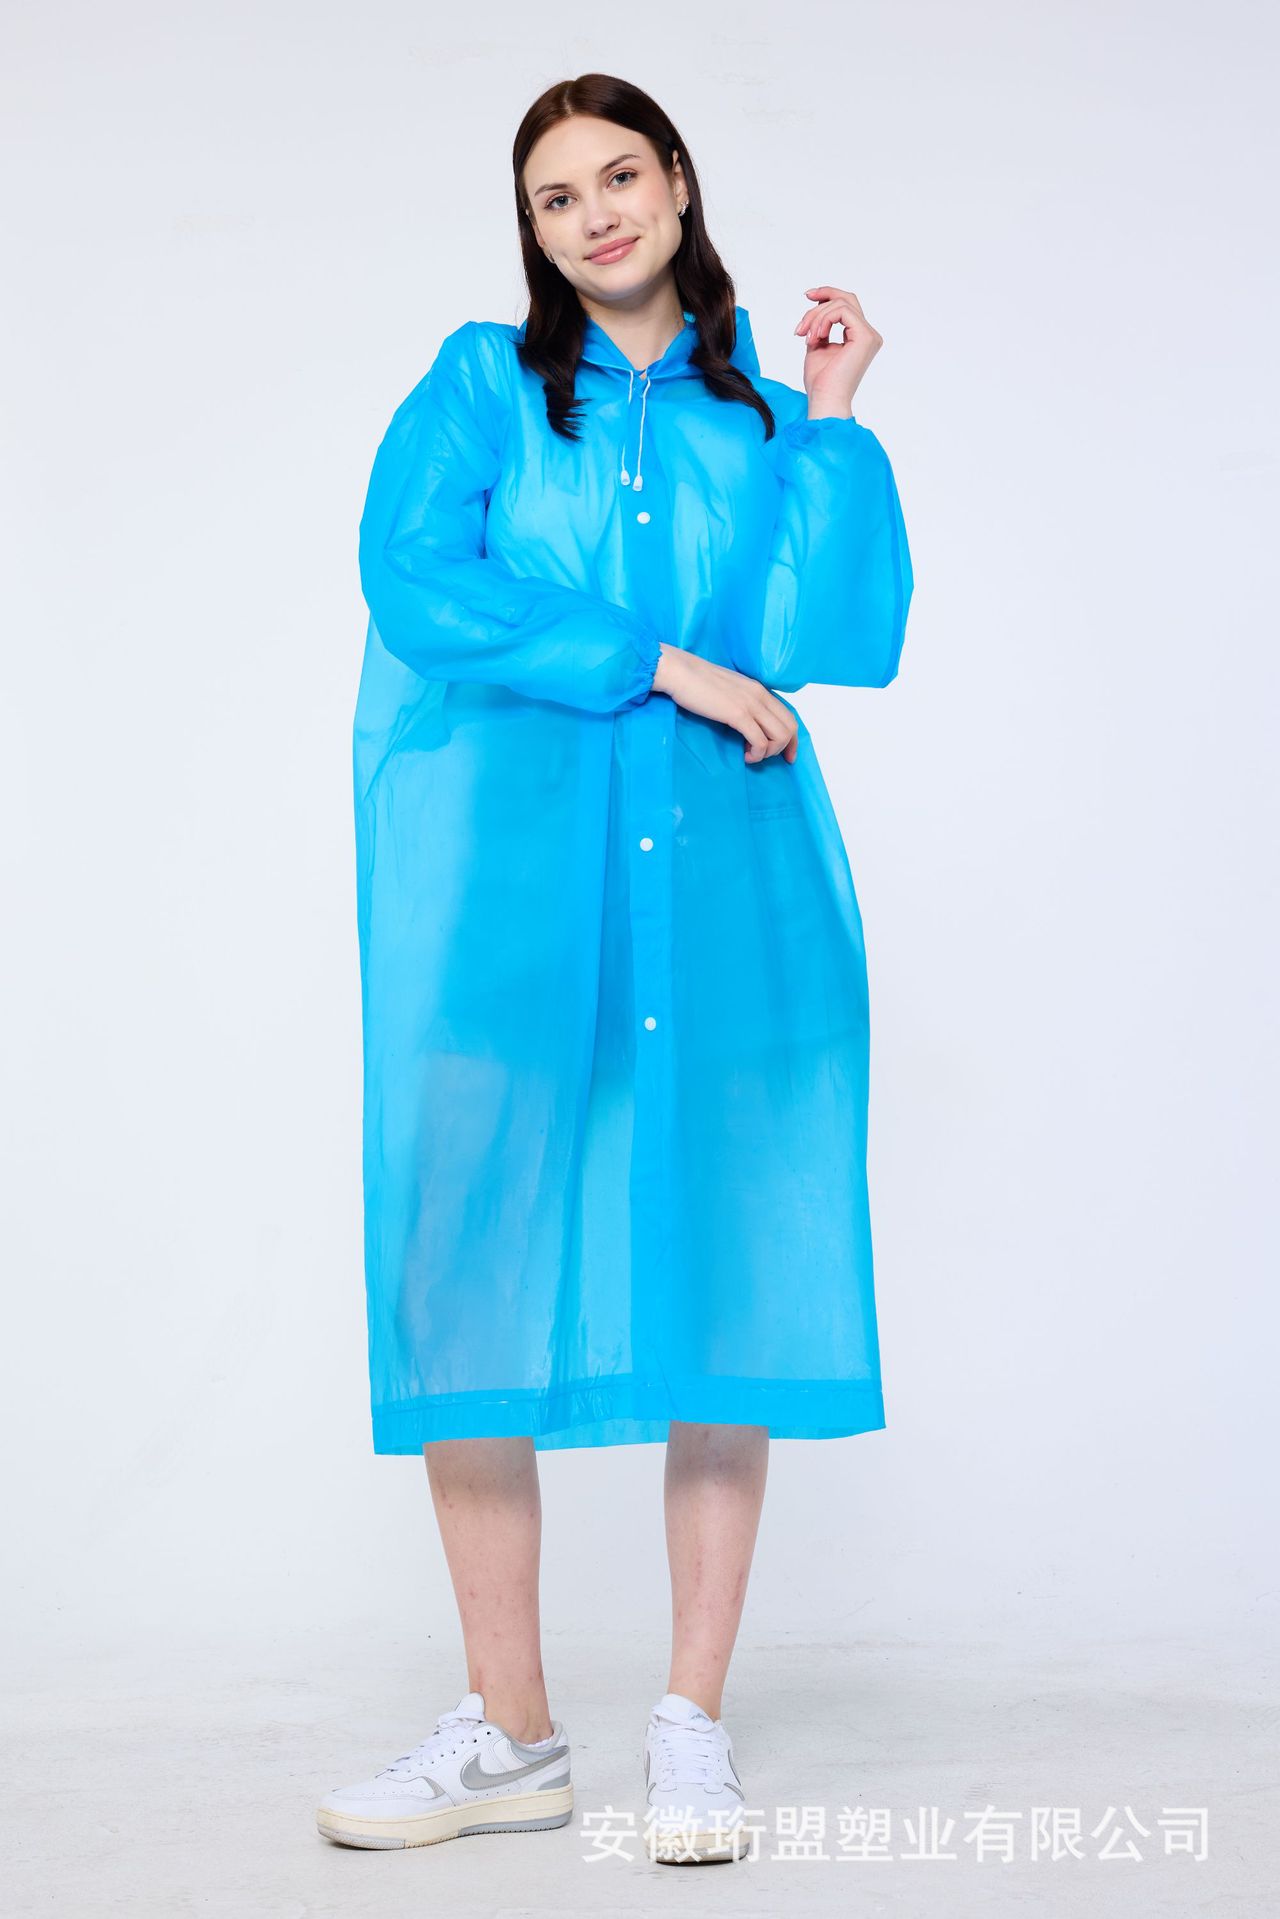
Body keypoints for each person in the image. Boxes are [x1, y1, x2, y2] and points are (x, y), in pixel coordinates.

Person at [316, 73, 914, 1866]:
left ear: (679, 183)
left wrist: (830, 419)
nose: (595, 215)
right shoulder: (482, 388)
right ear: (534, 230)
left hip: (727, 892)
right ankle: (510, 1733)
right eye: (557, 195)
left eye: (620, 175)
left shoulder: (757, 422)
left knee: (723, 1283)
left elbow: (827, 634)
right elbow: (414, 581)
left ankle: (689, 1727)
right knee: (466, 1272)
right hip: (510, 898)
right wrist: (652, 660)